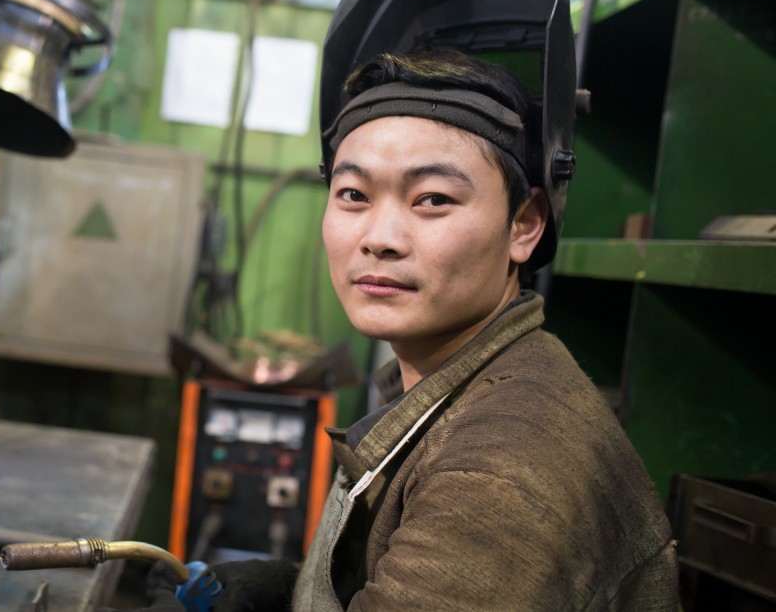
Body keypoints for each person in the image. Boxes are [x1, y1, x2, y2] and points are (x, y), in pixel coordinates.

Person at [125, 47, 678, 611]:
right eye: (354, 196)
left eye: (432, 199)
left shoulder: (500, 474)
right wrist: (286, 592)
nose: (379, 237)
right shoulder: (464, 385)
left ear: (524, 225)